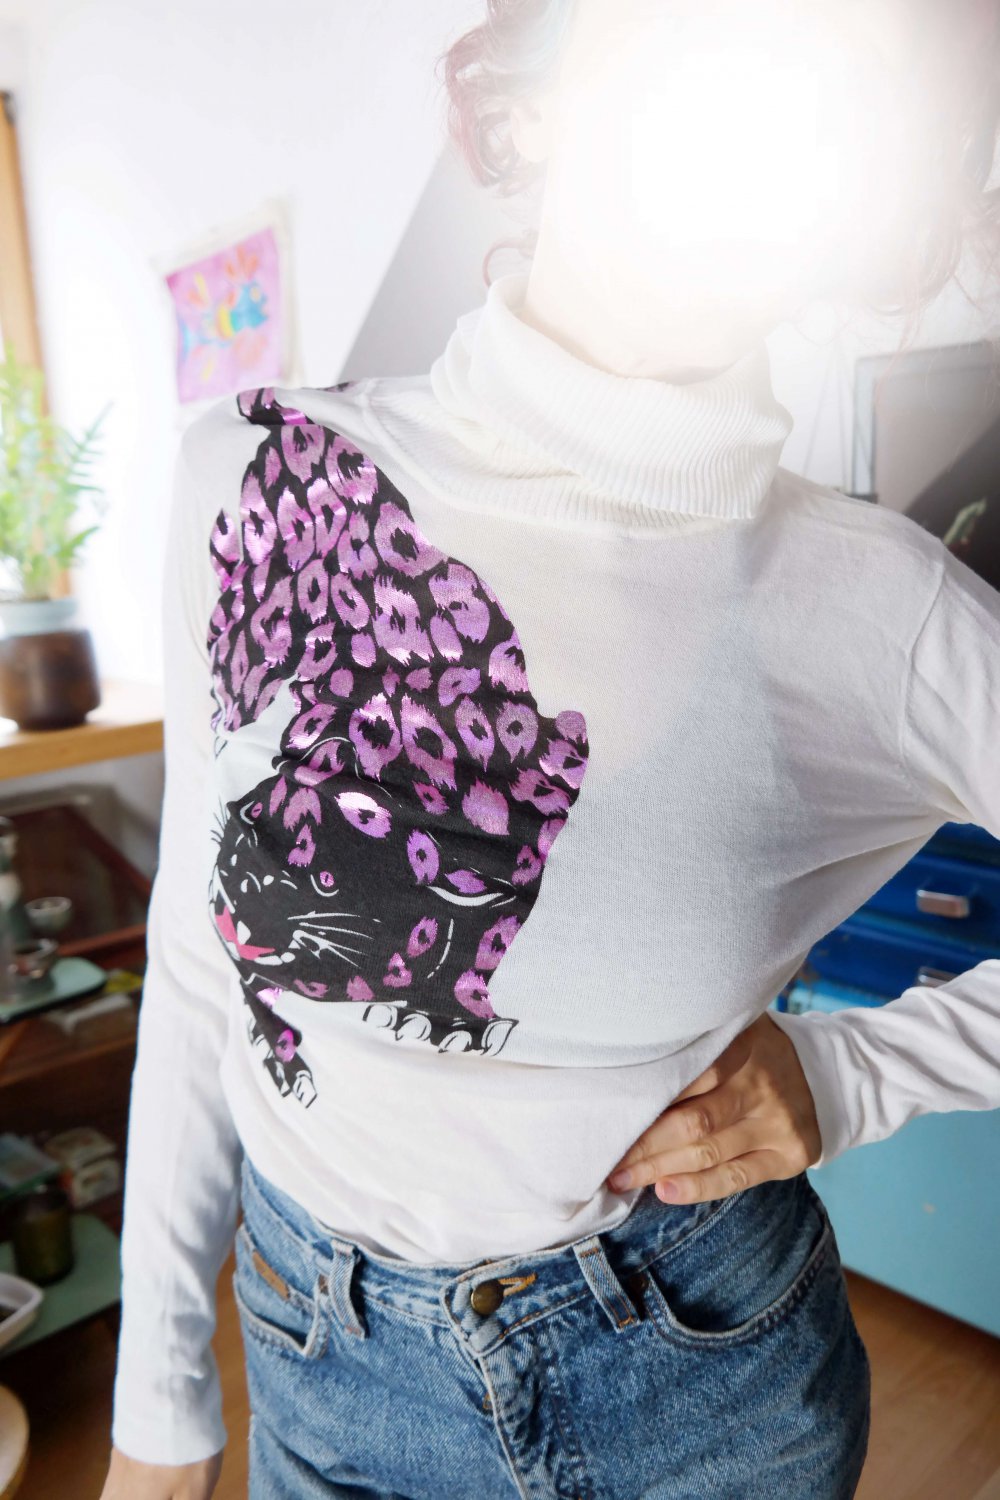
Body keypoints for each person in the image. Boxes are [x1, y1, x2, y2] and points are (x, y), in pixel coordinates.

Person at [101, 1, 1000, 1496]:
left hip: (694, 1383)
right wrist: (158, 1407)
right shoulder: (260, 476)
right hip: (319, 1360)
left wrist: (856, 1076)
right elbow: (201, 961)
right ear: (542, 97)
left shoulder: (876, 611)